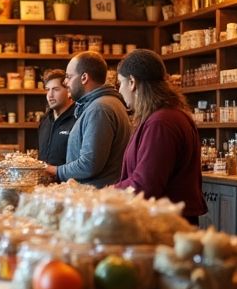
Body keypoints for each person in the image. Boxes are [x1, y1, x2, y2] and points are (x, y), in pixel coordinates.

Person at [112, 49, 206, 221]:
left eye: (120, 83)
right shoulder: (165, 116)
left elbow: (146, 185)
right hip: (167, 220)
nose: (119, 91)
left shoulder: (161, 122)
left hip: (167, 224)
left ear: (132, 82)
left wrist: (106, 193)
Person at [43, 51, 130, 186]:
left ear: (84, 78)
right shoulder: (102, 104)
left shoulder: (99, 109)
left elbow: (89, 164)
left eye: (69, 77)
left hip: (96, 199)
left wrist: (53, 170)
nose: (66, 82)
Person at [36, 69, 77, 167]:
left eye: (55, 89)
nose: (50, 95)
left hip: (71, 182)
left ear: (68, 91)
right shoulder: (44, 120)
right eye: (48, 89)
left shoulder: (78, 118)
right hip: (44, 181)